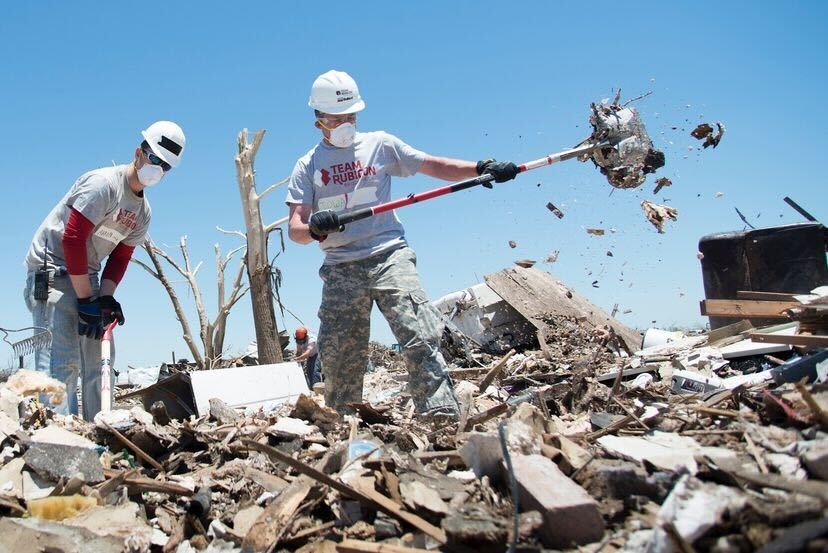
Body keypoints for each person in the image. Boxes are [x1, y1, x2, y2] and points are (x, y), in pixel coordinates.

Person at [285, 70, 519, 417]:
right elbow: (295, 230)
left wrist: (481, 168)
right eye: (338, 118)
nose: (346, 122)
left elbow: (432, 165)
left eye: (351, 115)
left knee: (419, 333)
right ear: (319, 119)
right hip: (340, 267)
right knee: (339, 355)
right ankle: (342, 425)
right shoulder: (308, 165)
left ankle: (440, 415)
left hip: (389, 254)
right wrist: (315, 227)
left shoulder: (380, 144)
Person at [23, 121, 186, 419]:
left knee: (99, 365)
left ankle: (99, 432)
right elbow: (72, 239)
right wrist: (87, 301)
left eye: (165, 166)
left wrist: (105, 299)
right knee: (62, 366)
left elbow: (120, 257)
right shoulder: (104, 185)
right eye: (154, 159)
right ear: (139, 152)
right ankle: (58, 442)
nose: (157, 168)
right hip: (53, 273)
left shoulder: (142, 213)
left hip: (87, 277)